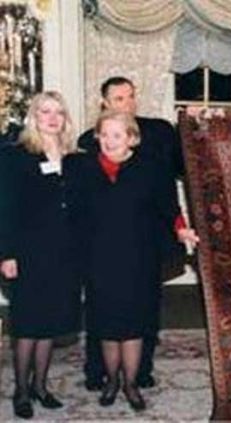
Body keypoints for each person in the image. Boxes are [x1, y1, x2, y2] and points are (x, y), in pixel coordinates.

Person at [72, 110, 198, 410]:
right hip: (99, 260)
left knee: (134, 323)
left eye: (117, 135)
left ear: (131, 138)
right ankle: (111, 381)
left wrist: (182, 230)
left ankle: (130, 383)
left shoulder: (150, 167)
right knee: (106, 324)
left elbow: (169, 206)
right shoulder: (84, 168)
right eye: (104, 135)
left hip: (139, 258)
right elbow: (73, 212)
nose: (109, 141)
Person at [0, 92, 82, 419]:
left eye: (58, 112)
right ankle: (21, 391)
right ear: (33, 117)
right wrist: (6, 254)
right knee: (28, 325)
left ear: (65, 119)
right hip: (27, 252)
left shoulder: (75, 158)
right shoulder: (15, 156)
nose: (52, 118)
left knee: (49, 324)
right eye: (45, 112)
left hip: (64, 253)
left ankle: (41, 387)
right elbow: (5, 209)